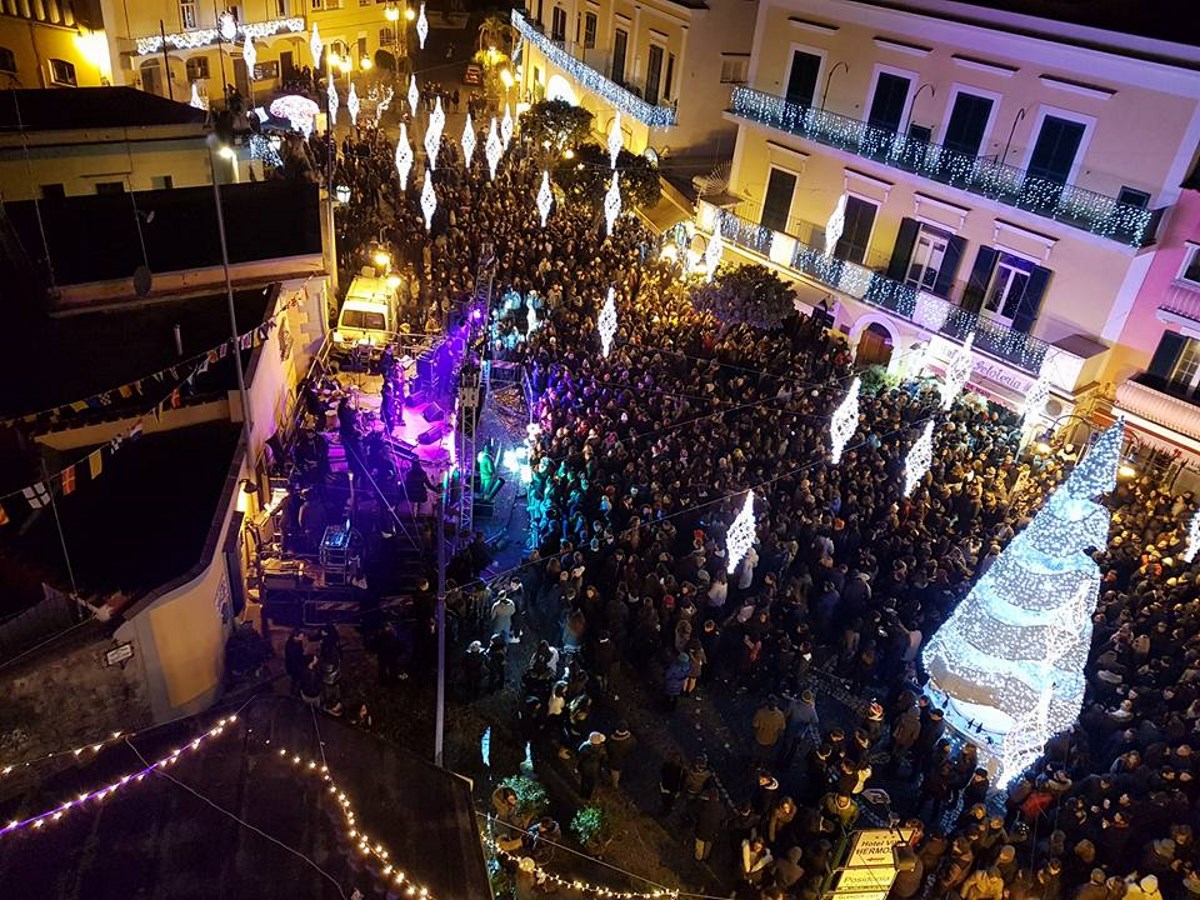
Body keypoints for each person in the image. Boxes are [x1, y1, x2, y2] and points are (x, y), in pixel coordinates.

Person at [752, 695, 787, 765]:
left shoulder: (760, 713)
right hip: (772, 740)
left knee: (756, 753)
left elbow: (755, 726)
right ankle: (761, 764)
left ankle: (754, 764)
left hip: (760, 738)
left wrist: (754, 736)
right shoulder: (780, 715)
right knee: (765, 755)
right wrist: (779, 740)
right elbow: (781, 730)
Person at [693, 787, 723, 862]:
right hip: (712, 833)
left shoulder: (703, 805)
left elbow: (696, 814)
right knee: (708, 845)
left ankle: (698, 858)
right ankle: (705, 857)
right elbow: (723, 818)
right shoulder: (720, 807)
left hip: (701, 830)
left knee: (699, 846)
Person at [577, 731, 607, 799]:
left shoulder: (585, 746)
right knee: (592, 783)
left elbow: (579, 754)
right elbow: (604, 760)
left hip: (585, 766)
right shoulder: (602, 749)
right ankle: (588, 796)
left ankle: (582, 794)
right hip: (595, 768)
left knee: (584, 781)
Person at [606, 722, 635, 789]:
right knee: (620, 772)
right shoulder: (632, 739)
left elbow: (608, 750)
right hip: (625, 760)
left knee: (615, 774)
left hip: (614, 761)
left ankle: (615, 786)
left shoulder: (611, 741)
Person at [285, 628, 307, 695]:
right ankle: (295, 694)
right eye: (301, 636)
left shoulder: (297, 641)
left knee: (297, 680)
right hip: (294, 666)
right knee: (296, 680)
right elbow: (295, 657)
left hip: (296, 664)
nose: (303, 638)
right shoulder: (292, 646)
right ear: (295, 637)